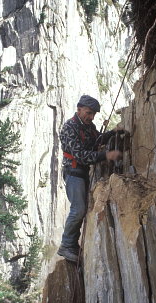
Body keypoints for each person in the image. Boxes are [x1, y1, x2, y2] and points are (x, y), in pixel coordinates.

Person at [57, 95, 123, 262]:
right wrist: (106, 155)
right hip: (73, 172)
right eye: (88, 112)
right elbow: (80, 156)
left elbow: (97, 139)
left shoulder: (88, 126)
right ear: (79, 109)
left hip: (81, 173)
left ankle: (72, 245)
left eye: (93, 114)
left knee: (83, 209)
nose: (91, 117)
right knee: (78, 209)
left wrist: (112, 133)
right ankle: (66, 245)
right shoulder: (69, 128)